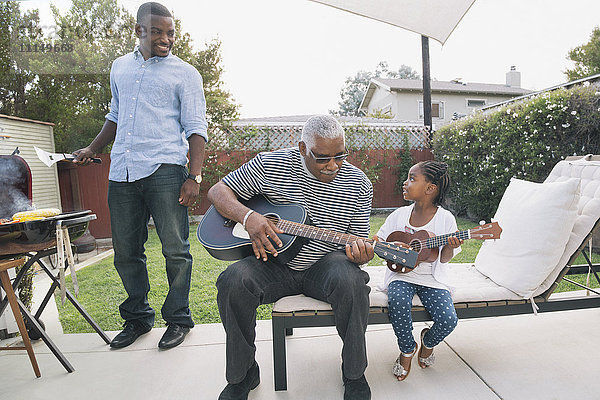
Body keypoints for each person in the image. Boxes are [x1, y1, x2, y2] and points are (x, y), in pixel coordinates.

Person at [208, 115, 374, 400]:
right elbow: (217, 191)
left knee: (353, 280)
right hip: (271, 263)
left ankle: (355, 374)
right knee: (233, 280)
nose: (333, 166)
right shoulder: (269, 164)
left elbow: (357, 245)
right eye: (322, 158)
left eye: (340, 156)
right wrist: (248, 217)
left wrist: (361, 255)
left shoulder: (358, 184)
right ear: (301, 148)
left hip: (325, 264)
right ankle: (243, 374)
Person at [74, 2, 207, 350]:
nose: (166, 38)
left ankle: (178, 318)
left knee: (176, 249)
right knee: (126, 252)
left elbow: (196, 128)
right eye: (158, 31)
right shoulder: (119, 68)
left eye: (171, 32)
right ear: (139, 31)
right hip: (123, 171)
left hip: (165, 168)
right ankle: (137, 318)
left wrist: (194, 176)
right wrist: (93, 148)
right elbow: (114, 116)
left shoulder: (185, 73)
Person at [373, 160, 462, 381]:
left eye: (412, 178)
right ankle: (406, 350)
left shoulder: (445, 219)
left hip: (431, 277)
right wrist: (395, 248)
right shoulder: (398, 215)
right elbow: (379, 242)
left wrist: (449, 247)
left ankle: (428, 342)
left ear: (430, 189)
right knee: (399, 302)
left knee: (448, 319)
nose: (405, 182)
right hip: (401, 276)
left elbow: (444, 259)